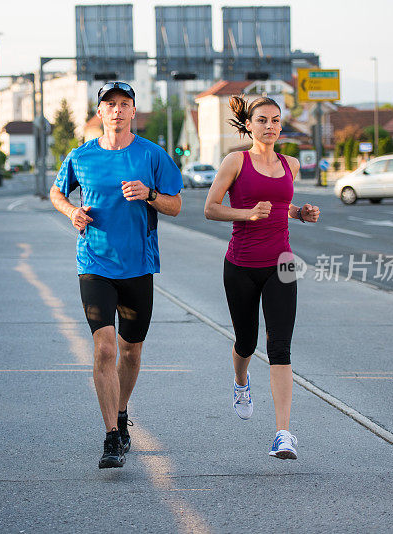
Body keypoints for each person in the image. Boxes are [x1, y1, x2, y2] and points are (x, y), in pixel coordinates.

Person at [49, 81, 182, 468]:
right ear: (100, 113)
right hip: (94, 263)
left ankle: (122, 413)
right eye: (111, 105)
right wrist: (70, 212)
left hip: (138, 266)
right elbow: (57, 193)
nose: (118, 111)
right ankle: (111, 437)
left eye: (125, 104)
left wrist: (150, 195)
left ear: (133, 112)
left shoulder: (152, 155)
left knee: (131, 351)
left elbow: (176, 205)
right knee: (104, 348)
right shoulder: (81, 156)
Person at [204, 95, 320, 459]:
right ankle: (241, 382)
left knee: (280, 347)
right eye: (262, 120)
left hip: (282, 264)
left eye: (275, 120)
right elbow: (210, 208)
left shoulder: (292, 165)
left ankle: (284, 434)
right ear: (249, 125)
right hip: (241, 265)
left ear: (281, 126)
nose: (270, 126)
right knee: (246, 341)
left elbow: (281, 209)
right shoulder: (235, 161)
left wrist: (300, 212)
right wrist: (247, 214)